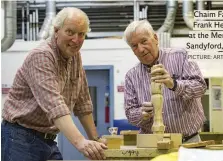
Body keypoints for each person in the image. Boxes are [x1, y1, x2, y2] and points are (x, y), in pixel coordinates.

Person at [1, 7, 107, 161]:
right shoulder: (42, 56)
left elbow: (83, 102)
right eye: (70, 32)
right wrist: (80, 142)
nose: (76, 40)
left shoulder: (75, 57)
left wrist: (95, 139)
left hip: (48, 139)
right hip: (20, 137)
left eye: (81, 34)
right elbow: (54, 105)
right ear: (56, 31)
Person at [123, 20, 207, 143]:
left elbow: (200, 87)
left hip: (188, 142)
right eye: (134, 46)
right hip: (152, 144)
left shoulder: (181, 56)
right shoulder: (131, 76)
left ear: (156, 38)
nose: (140, 49)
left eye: (144, 41)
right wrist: (142, 114)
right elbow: (130, 114)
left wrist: (174, 84)